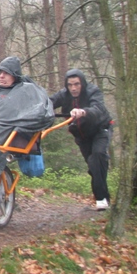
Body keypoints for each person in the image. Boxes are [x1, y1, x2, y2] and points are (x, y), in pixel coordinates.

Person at [0, 57, 54, 182]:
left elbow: (39, 111)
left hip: (8, 132)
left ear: (14, 75)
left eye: (6, 73)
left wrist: (17, 122)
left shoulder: (26, 90)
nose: (1, 76)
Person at [50, 69, 113, 210]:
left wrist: (83, 112)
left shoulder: (93, 91)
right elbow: (48, 103)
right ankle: (105, 198)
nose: (73, 88)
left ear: (82, 83)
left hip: (100, 130)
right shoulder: (63, 95)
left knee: (97, 157)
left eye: (77, 84)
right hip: (82, 136)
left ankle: (101, 199)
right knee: (93, 167)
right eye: (70, 84)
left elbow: (98, 108)